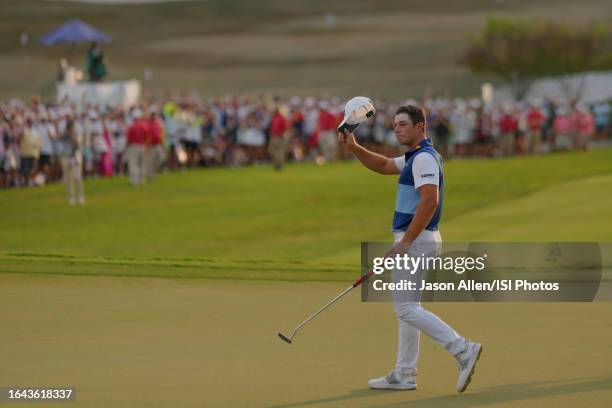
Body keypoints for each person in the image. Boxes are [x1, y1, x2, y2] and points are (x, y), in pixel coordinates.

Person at [338, 104, 482, 393]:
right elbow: (382, 165)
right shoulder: (415, 157)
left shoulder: (424, 160)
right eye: (395, 125)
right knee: (408, 308)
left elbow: (429, 201)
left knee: (404, 308)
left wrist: (405, 243)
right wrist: (354, 147)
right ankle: (405, 373)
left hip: (417, 241)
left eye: (403, 124)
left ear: (420, 127)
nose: (397, 129)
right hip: (416, 240)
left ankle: (463, 349)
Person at [57, 119, 85, 205]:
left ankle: (80, 197)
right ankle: (71, 198)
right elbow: (59, 138)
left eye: (70, 126)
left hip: (75, 156)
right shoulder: (65, 134)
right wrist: (65, 134)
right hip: (66, 156)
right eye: (68, 127)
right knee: (68, 179)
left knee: (77, 177)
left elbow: (77, 142)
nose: (69, 128)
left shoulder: (77, 133)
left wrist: (72, 135)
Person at [126, 109, 147, 186]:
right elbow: (146, 136)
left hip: (133, 146)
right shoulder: (143, 126)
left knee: (133, 164)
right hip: (142, 145)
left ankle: (135, 181)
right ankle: (142, 181)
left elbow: (128, 138)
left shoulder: (131, 126)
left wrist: (127, 146)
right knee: (141, 164)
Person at [267, 105, 289, 170]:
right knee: (271, 151)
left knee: (279, 152)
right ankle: (276, 164)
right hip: (273, 136)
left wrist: (281, 134)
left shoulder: (281, 118)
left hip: (278, 136)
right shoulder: (274, 117)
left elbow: (285, 128)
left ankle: (279, 165)